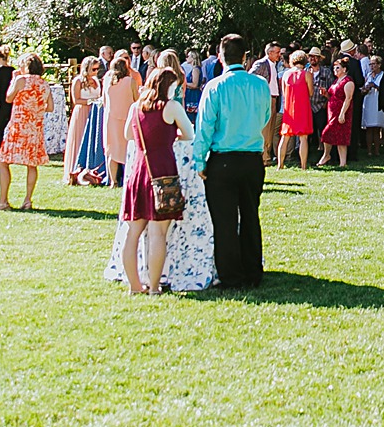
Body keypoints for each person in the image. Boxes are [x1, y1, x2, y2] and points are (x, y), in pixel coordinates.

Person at [188, 35, 270, 290]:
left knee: (224, 221)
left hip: (223, 159)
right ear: (245, 57)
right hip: (251, 158)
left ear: (221, 57)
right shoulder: (260, 85)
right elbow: (266, 117)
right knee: (250, 215)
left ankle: (232, 275)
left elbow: (204, 127)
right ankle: (252, 271)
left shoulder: (214, 87)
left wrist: (199, 160)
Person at [119, 66, 196, 295]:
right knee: (157, 234)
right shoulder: (170, 106)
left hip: (139, 171)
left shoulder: (135, 108)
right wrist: (170, 135)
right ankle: (154, 286)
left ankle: (134, 285)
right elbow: (189, 133)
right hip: (162, 170)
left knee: (133, 233)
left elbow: (128, 135)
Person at [0, 55, 54, 211]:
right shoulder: (44, 83)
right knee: (32, 165)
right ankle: (27, 200)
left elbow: (8, 98)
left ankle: (3, 201)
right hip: (35, 127)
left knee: (3, 161)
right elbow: (50, 107)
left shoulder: (21, 80)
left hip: (18, 126)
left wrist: (14, 81)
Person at [65, 56, 104, 184]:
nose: (96, 71)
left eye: (97, 69)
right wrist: (90, 101)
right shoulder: (78, 81)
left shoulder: (96, 80)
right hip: (82, 111)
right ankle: (75, 170)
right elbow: (76, 100)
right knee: (80, 138)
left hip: (95, 112)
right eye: (93, 69)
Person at [102, 53, 139, 188]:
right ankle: (129, 178)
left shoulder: (106, 80)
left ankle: (113, 181)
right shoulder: (130, 81)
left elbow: (104, 101)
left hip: (111, 119)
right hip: (127, 118)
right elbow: (137, 100)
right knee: (128, 148)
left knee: (112, 149)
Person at [276, 51, 314, 168]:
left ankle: (280, 165)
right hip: (302, 107)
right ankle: (303, 165)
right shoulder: (306, 74)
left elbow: (283, 92)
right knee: (303, 138)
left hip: (289, 108)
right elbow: (311, 92)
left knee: (285, 136)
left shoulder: (285, 75)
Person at [317, 57, 356, 168]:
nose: (335, 70)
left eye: (338, 68)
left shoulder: (348, 82)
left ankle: (337, 160)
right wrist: (325, 94)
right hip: (332, 112)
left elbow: (348, 98)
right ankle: (333, 158)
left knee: (337, 136)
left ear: (344, 69)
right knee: (332, 135)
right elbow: (331, 96)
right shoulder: (336, 81)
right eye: (334, 68)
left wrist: (342, 113)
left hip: (341, 113)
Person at [358, 55, 384, 159]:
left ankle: (377, 150)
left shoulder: (383, 75)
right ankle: (369, 150)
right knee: (369, 127)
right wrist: (365, 89)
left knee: (377, 127)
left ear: (379, 64)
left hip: (377, 102)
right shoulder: (368, 75)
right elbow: (363, 89)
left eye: (374, 64)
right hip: (369, 101)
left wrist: (375, 86)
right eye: (370, 64)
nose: (371, 66)